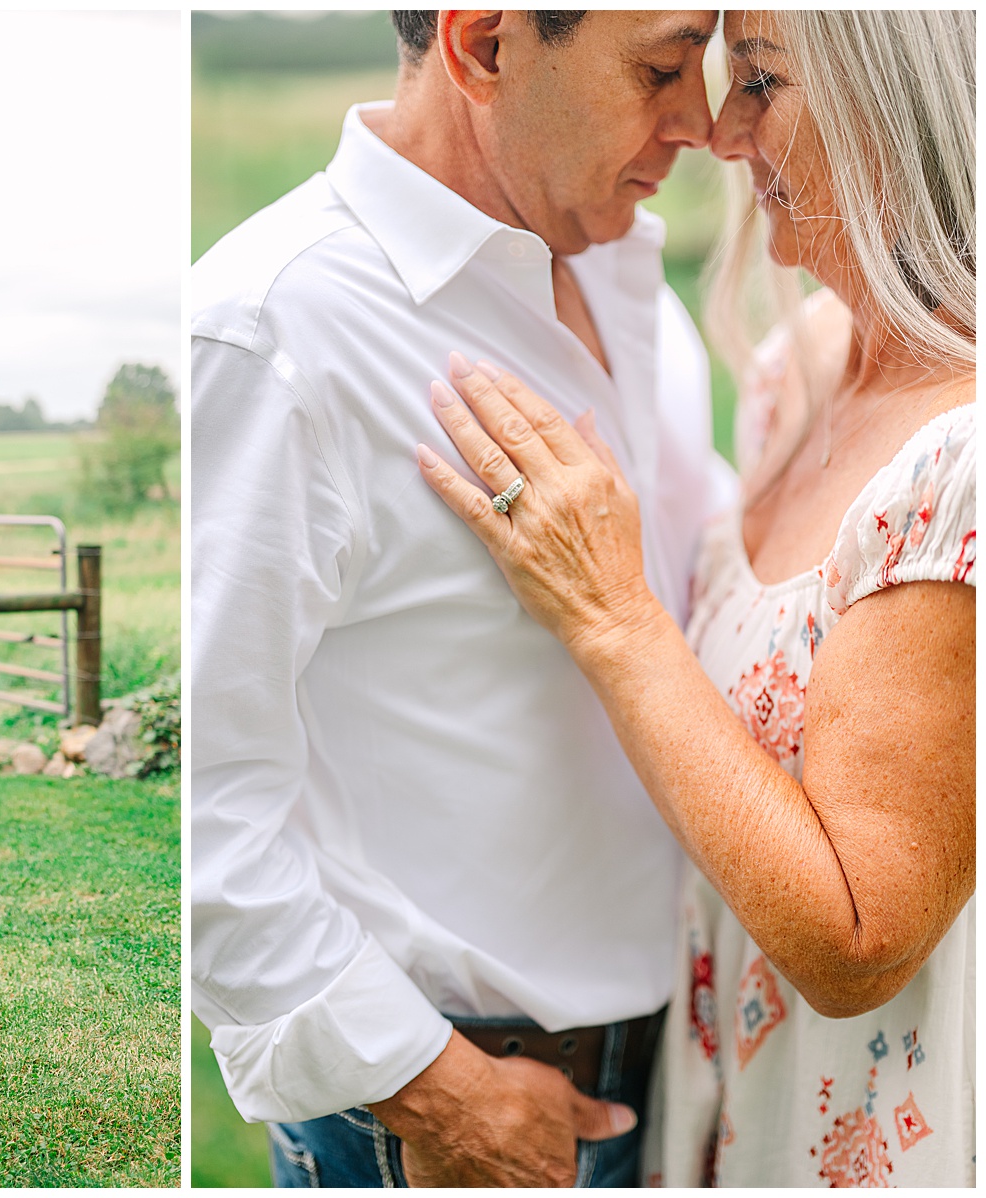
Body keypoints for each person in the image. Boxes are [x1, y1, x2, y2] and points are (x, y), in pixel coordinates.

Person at [415, 9, 974, 1185]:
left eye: (759, 82)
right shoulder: (799, 368)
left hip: (867, 1131)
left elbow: (854, 943)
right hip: (710, 1095)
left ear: (892, 102)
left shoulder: (961, 459)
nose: (719, 131)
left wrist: (613, 618)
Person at [192, 10, 732, 1187]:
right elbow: (201, 809)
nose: (701, 119)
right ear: (484, 44)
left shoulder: (627, 278)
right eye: (658, 68)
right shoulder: (271, 333)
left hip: (664, 1085)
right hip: (444, 1126)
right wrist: (438, 1092)